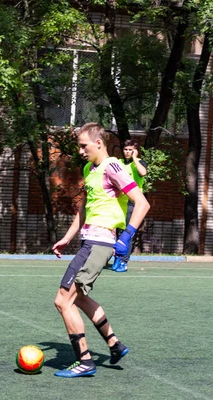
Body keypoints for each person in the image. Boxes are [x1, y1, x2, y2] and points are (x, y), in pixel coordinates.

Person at [52, 123, 150, 378]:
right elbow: (84, 208)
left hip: (100, 243)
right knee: (80, 297)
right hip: (90, 242)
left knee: (63, 300)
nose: (81, 151)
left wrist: (126, 237)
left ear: (99, 143)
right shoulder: (89, 168)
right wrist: (66, 238)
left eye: (84, 146)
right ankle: (114, 344)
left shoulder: (113, 167)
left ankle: (84, 360)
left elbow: (142, 203)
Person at [111, 139, 148, 273]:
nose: (127, 152)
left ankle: (123, 262)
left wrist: (135, 158)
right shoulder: (119, 163)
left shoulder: (139, 163)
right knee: (115, 232)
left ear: (135, 151)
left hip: (133, 204)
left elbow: (143, 173)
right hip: (118, 203)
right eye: (126, 149)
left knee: (127, 233)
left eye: (130, 150)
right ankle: (116, 258)